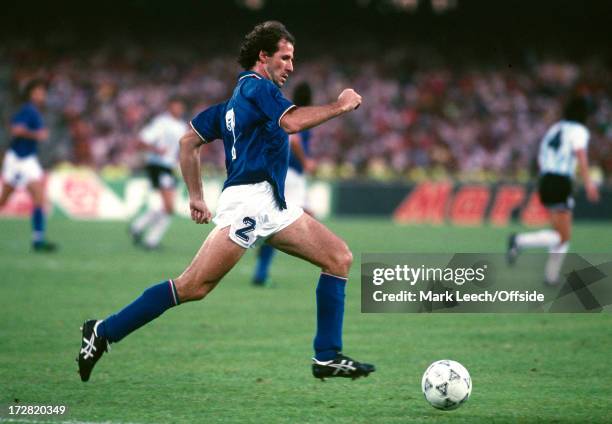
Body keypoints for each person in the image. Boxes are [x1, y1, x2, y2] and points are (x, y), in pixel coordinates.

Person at [77, 21, 375, 382]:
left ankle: (326, 356)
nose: (291, 67)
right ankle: (102, 331)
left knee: (338, 257)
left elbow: (189, 143)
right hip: (249, 202)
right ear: (263, 56)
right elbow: (292, 123)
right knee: (193, 287)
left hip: (272, 203)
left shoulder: (232, 104)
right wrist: (342, 106)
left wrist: (197, 196)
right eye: (285, 57)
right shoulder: (259, 88)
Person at [507, 96, 599, 284]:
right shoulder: (579, 130)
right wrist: (589, 183)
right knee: (562, 236)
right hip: (560, 181)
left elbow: (542, 156)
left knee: (559, 234)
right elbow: (580, 154)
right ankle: (519, 240)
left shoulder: (555, 128)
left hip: (546, 179)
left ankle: (551, 276)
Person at [252, 81, 316, 286]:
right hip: (293, 175)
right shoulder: (304, 115)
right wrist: (306, 162)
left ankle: (261, 242)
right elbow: (294, 140)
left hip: (284, 172)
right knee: (291, 220)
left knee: (292, 218)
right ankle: (261, 248)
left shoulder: (288, 111)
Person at [0, 79, 57, 252]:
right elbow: (16, 129)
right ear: (32, 93)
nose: (43, 95)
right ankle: (38, 240)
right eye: (40, 91)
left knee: (39, 197)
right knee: (5, 199)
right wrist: (36, 134)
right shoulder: (28, 110)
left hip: (27, 159)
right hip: (19, 159)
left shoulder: (35, 111)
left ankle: (38, 240)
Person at [129, 97, 188, 250]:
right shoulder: (162, 122)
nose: (178, 110)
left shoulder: (181, 126)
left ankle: (138, 227)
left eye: (180, 107)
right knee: (169, 207)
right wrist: (156, 150)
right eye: (175, 106)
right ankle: (150, 240)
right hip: (158, 165)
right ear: (170, 107)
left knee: (166, 206)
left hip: (168, 166)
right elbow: (141, 140)